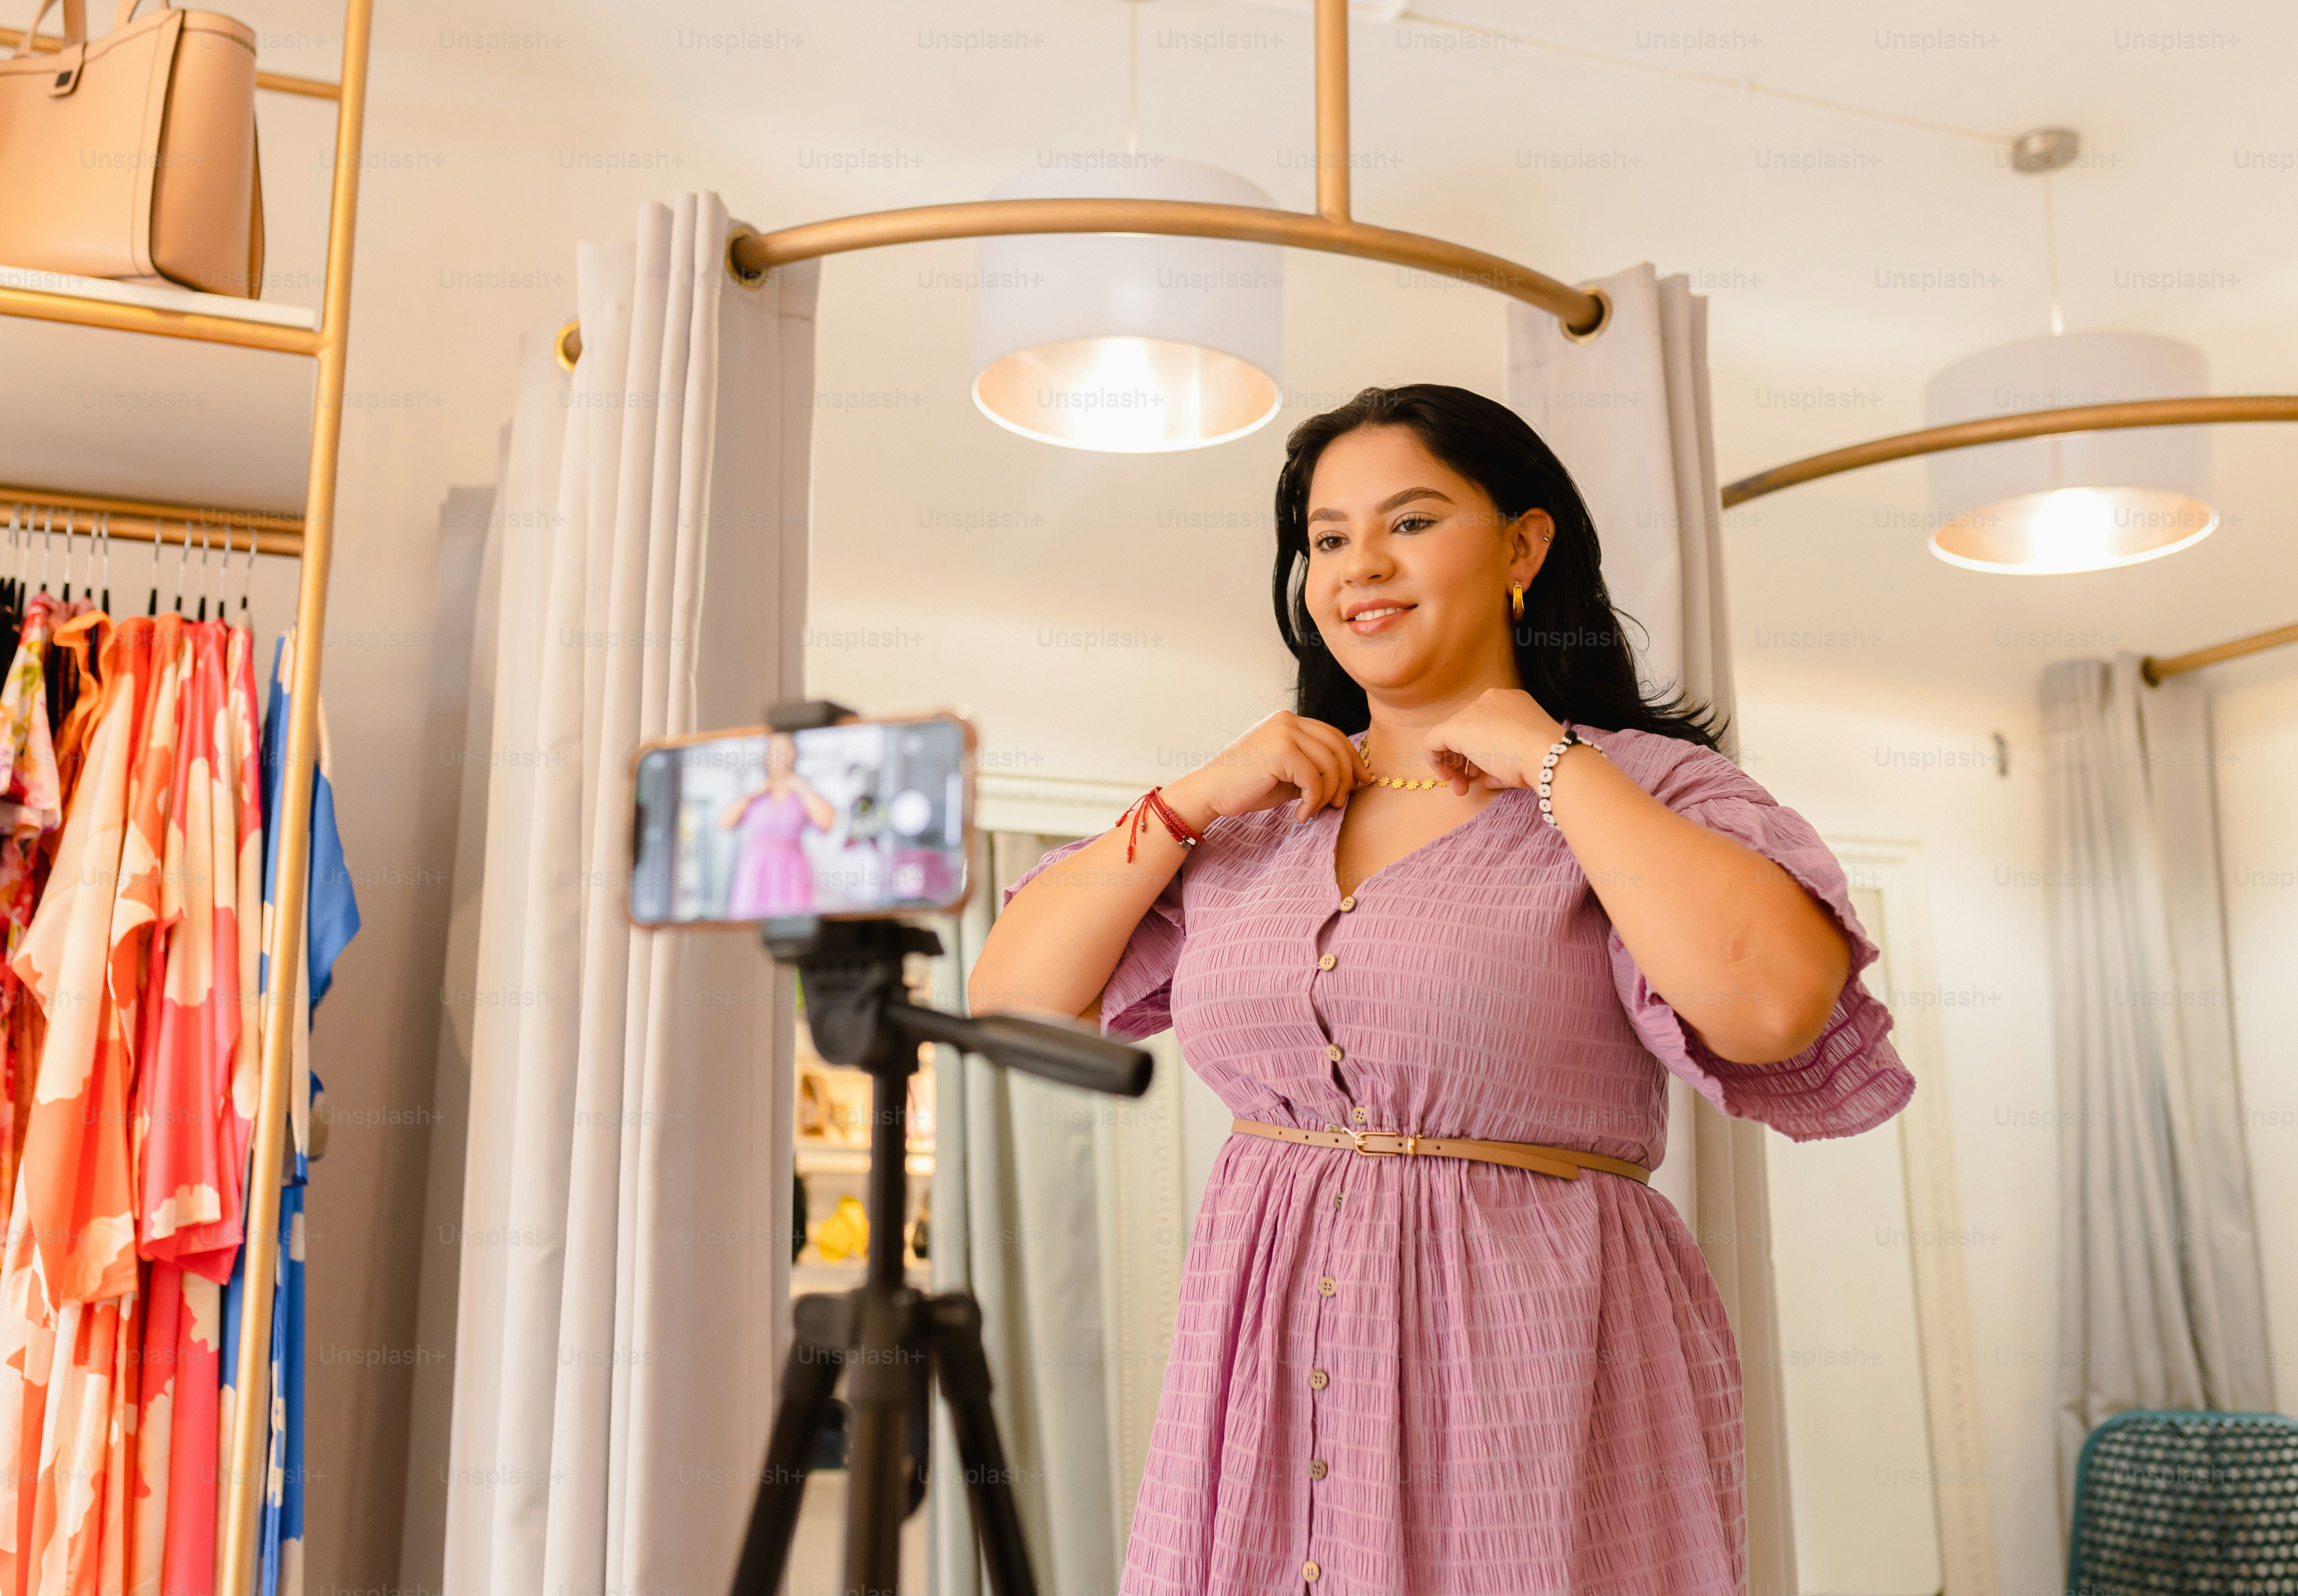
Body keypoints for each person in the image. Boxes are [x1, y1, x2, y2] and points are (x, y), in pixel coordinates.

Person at [968, 385, 1914, 1596]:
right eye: (1326, 537)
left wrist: (1549, 760)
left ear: (1524, 546)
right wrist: (1199, 797)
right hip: (1260, 1369)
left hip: (1529, 1363)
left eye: (1410, 522)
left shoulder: (1649, 789)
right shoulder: (1252, 816)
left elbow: (1772, 1003)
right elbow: (1003, 1010)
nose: (1361, 564)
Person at [720, 732, 834, 920]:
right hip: (757, 868)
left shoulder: (802, 794)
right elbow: (725, 823)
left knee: (792, 922)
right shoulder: (755, 795)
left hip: (792, 869)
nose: (781, 757)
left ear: (795, 755)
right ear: (766, 756)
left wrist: (803, 788)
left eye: (786, 750)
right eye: (775, 751)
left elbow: (827, 823)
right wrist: (754, 794)